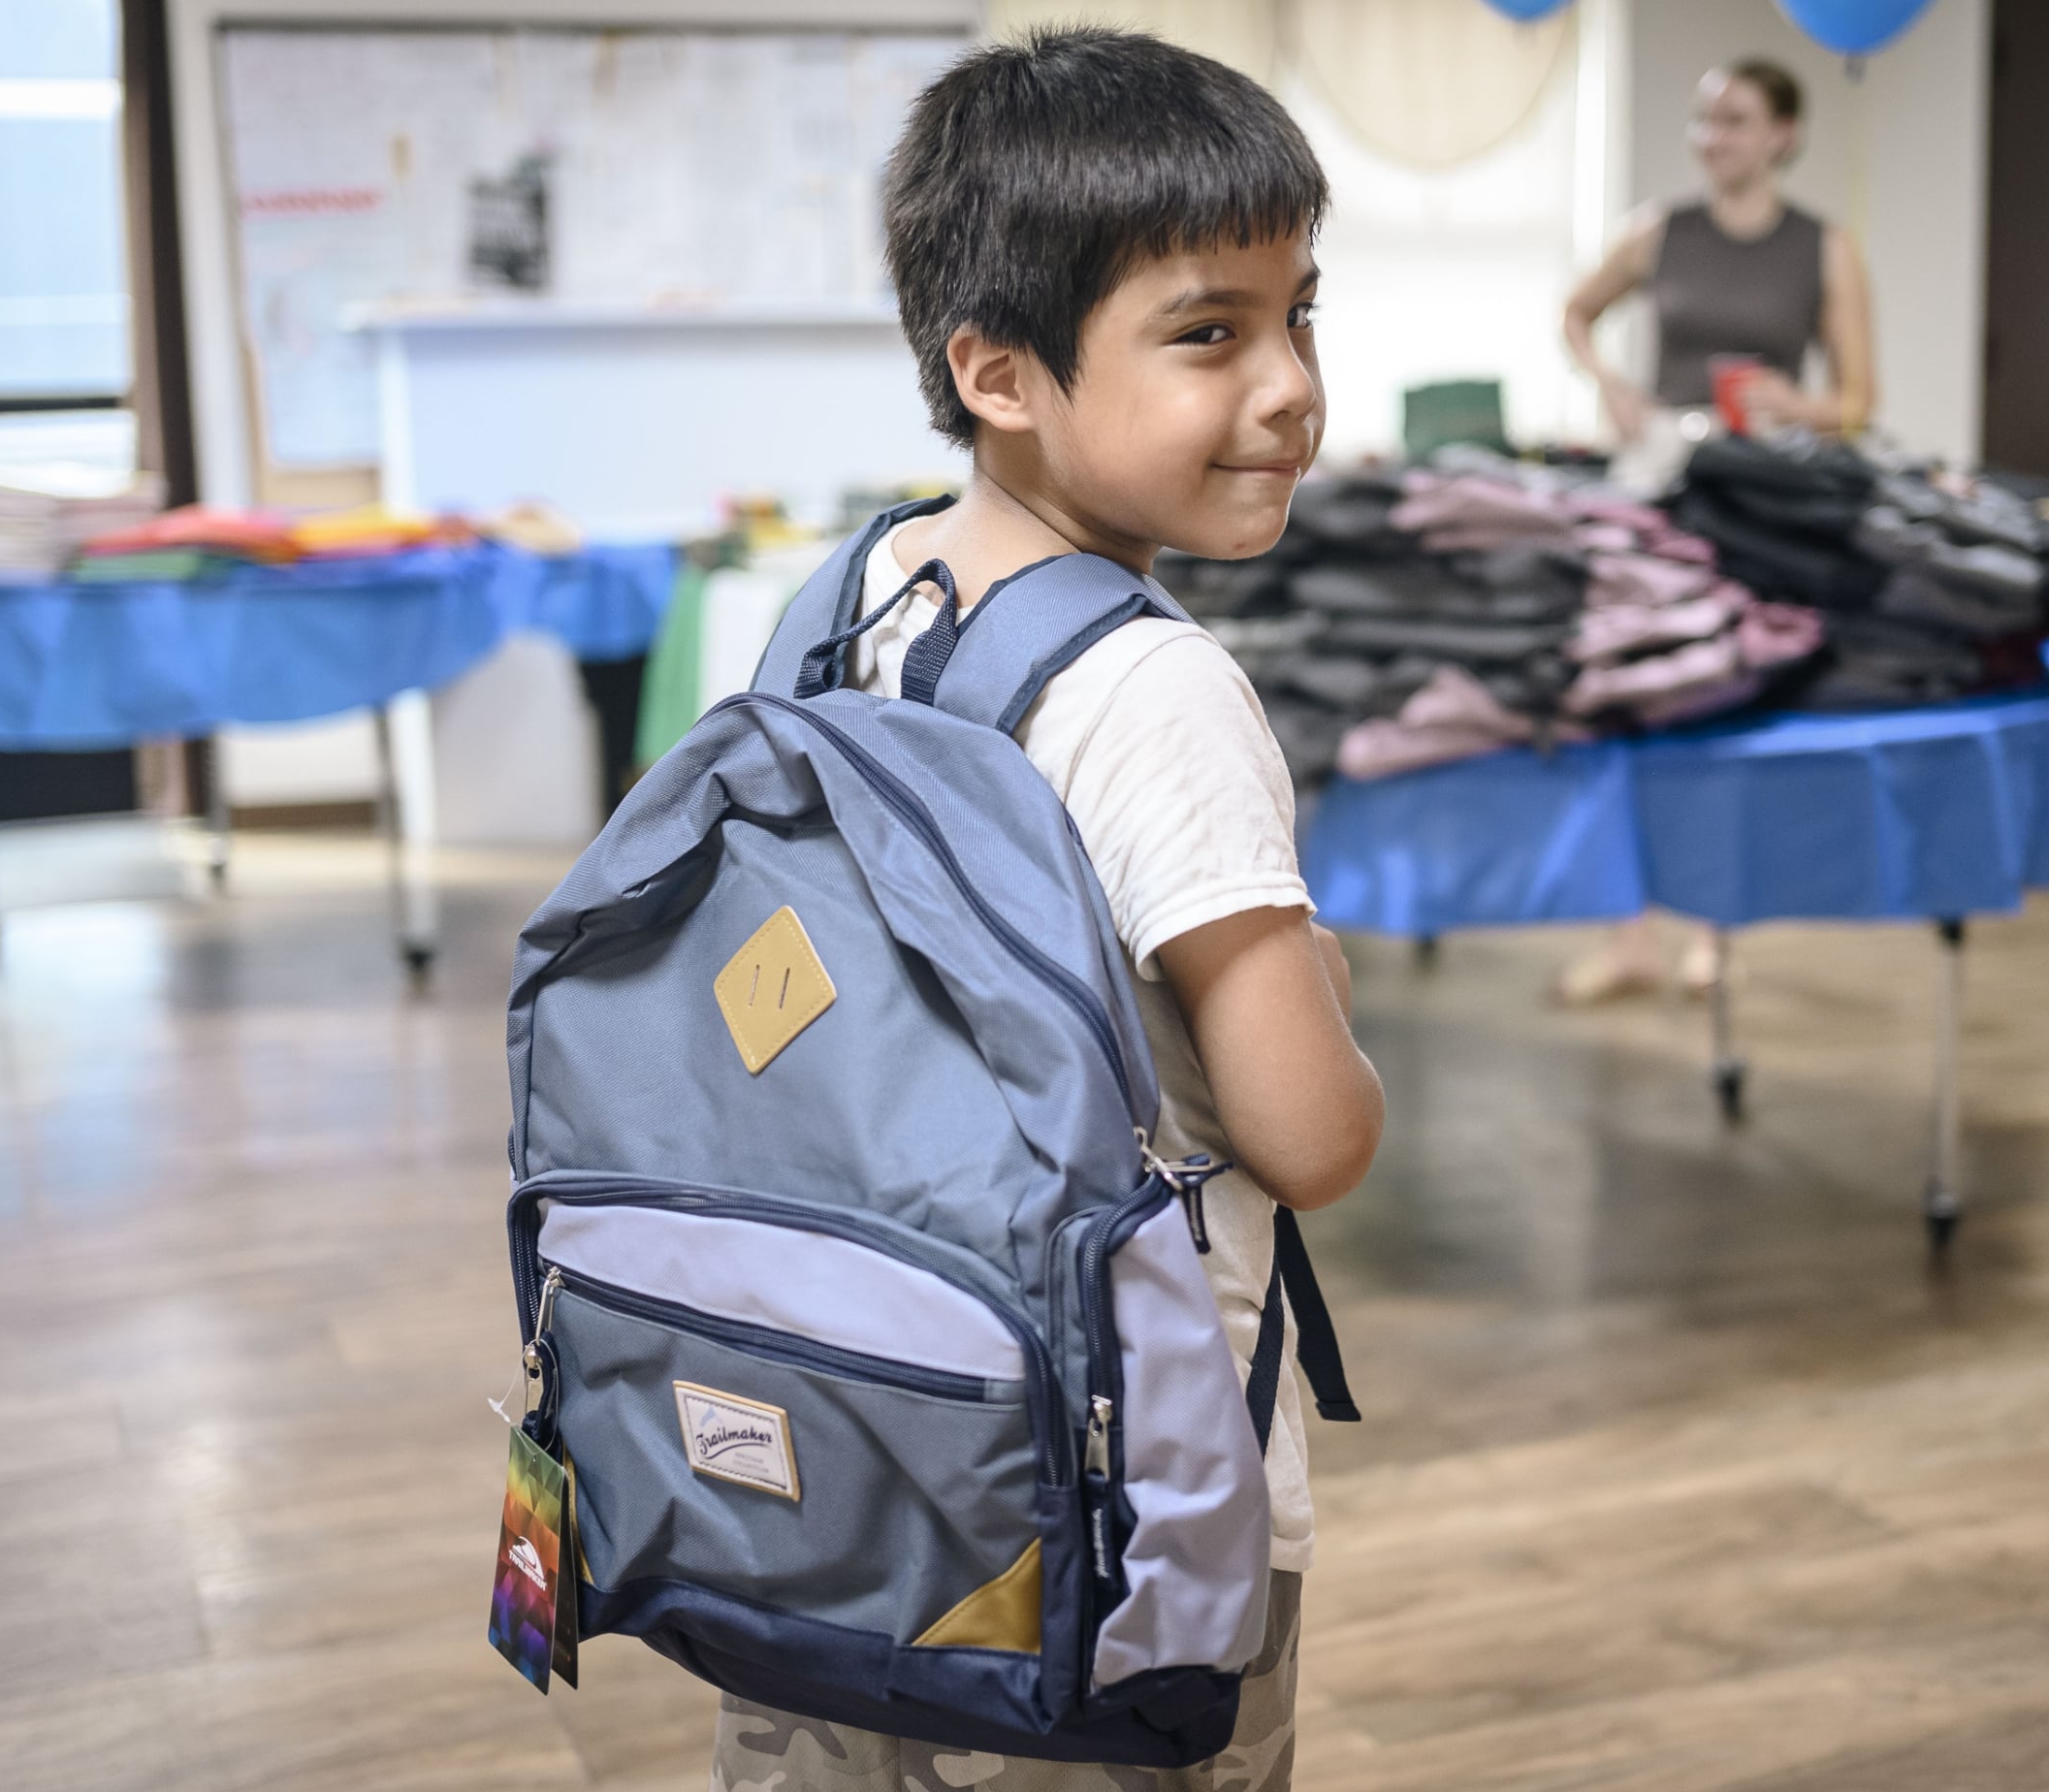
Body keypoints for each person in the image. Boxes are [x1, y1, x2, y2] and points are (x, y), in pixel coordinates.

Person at [711, 29, 1384, 1792]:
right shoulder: (1153, 691)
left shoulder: (844, 599)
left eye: (1301, 312)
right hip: (1113, 1523)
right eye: (1208, 332)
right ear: (999, 370)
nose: (1293, 385)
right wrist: (1319, 974)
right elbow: (1308, 1136)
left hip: (846, 1458)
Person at [1552, 55, 1878, 1004]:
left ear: (1782, 133)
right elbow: (1575, 313)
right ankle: (1628, 937)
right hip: (1653, 484)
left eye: (1731, 120)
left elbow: (1857, 400)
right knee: (1622, 695)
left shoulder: (1825, 248)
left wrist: (1793, 401)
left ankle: (1716, 934)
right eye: (1702, 120)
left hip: (1756, 497)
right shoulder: (1658, 232)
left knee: (1724, 704)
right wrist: (1610, 384)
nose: (1709, 138)